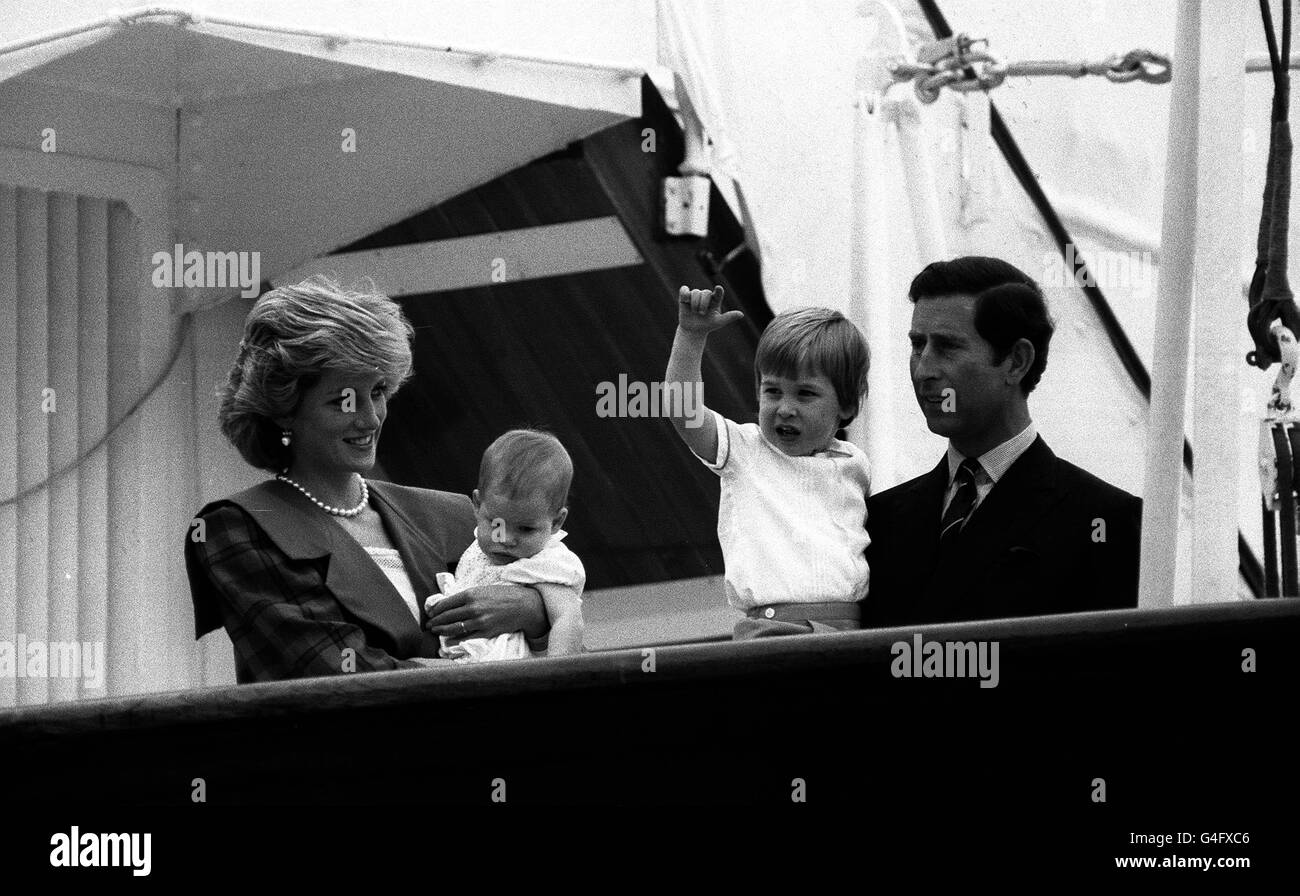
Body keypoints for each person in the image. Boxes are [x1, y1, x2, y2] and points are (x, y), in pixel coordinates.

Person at [185, 276, 549, 683]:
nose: (371, 417)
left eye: (376, 391)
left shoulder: (456, 516)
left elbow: (561, 663)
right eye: (344, 400)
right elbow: (330, 676)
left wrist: (533, 612)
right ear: (284, 410)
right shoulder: (240, 528)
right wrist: (479, 673)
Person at [865, 256, 1141, 626]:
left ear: (1016, 361)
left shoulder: (1107, 522)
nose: (924, 369)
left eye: (947, 347)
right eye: (918, 345)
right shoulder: (878, 520)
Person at [664, 284, 871, 639]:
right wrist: (691, 333)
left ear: (848, 405)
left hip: (850, 629)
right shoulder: (745, 450)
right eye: (772, 391)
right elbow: (681, 410)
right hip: (772, 627)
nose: (785, 408)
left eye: (805, 393)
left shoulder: (856, 463)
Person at [426, 429, 586, 661]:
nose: (506, 539)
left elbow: (568, 618)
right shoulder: (472, 547)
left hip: (510, 675)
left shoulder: (545, 562)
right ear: (478, 505)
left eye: (526, 529)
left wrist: (557, 673)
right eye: (496, 523)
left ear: (556, 522)